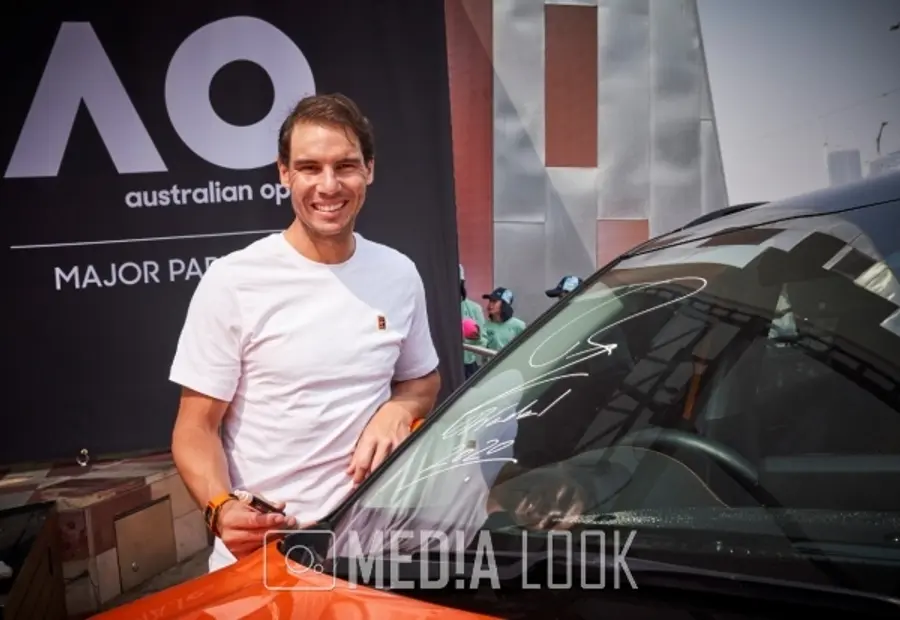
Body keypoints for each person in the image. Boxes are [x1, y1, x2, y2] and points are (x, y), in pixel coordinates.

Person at [168, 93, 442, 572]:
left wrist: (399, 409)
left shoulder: (399, 273)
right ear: (284, 173)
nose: (328, 185)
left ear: (369, 170)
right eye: (309, 167)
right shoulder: (233, 280)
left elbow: (423, 381)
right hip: (267, 559)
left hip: (379, 557)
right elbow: (195, 428)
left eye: (345, 166)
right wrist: (220, 508)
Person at [459, 264, 487, 378]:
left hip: (467, 365)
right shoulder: (435, 307)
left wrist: (474, 338)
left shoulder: (474, 308)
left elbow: (483, 341)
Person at [482, 287, 526, 351]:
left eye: (494, 301)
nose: (490, 304)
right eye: (490, 301)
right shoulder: (485, 325)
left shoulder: (519, 325)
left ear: (504, 304)